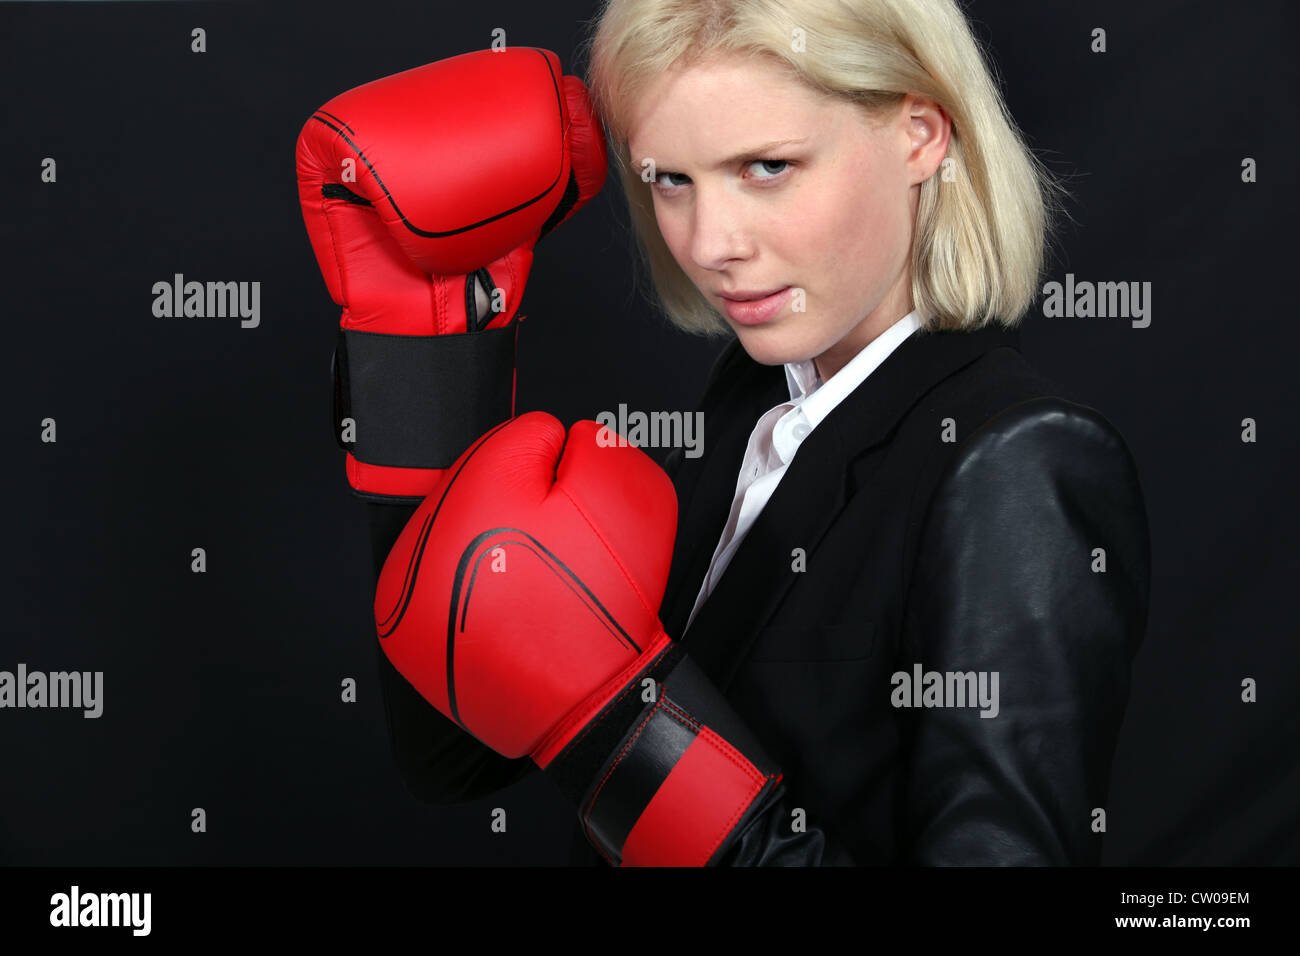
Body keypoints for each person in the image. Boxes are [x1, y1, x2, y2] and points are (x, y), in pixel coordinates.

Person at [301, 0, 1150, 867]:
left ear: (921, 135)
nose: (710, 244)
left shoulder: (1019, 463)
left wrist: (624, 719)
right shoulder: (751, 401)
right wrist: (422, 348)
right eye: (671, 179)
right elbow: (451, 758)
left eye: (768, 167)